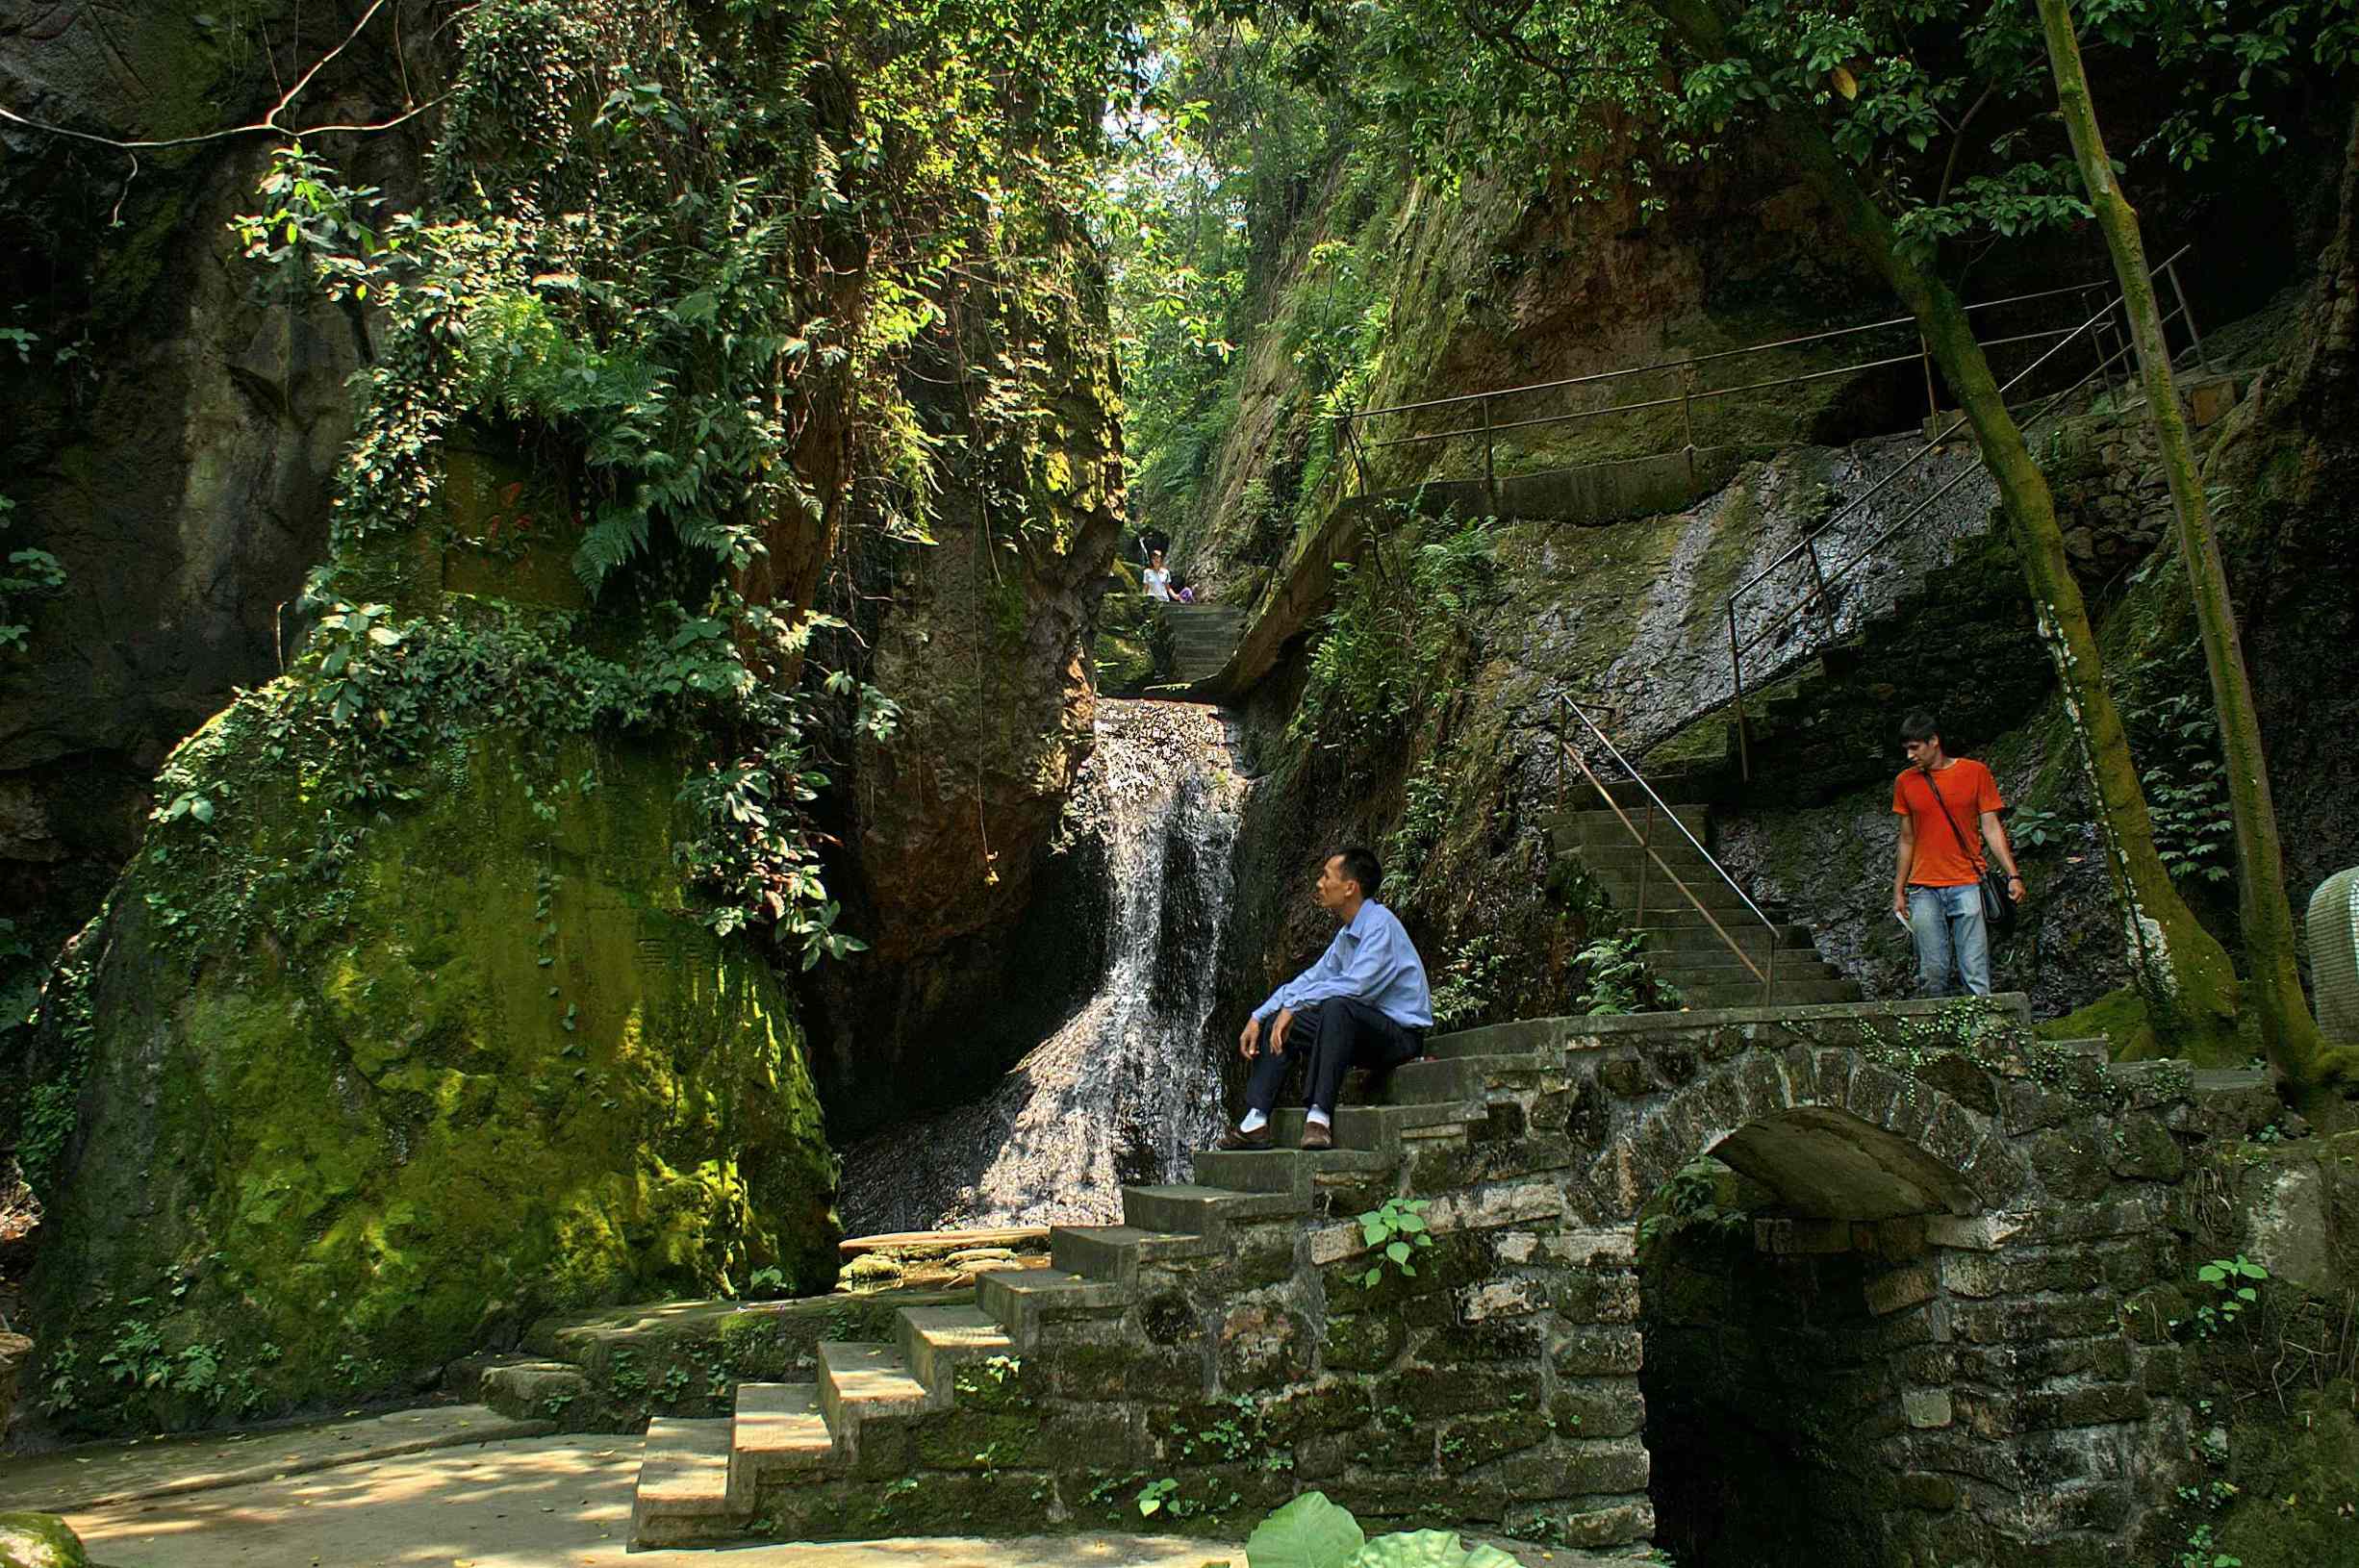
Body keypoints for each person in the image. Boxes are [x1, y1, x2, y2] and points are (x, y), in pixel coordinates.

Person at [1219, 847, 1433, 1151]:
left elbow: (1357, 986)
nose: (1319, 884)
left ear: (1350, 887)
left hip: (1400, 1039)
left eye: (1326, 876)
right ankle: (1255, 1120)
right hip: (1359, 1032)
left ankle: (1319, 1118)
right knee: (1283, 1019)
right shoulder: (1347, 936)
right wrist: (1259, 1015)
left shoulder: (1380, 925)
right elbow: (1310, 980)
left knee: (1337, 1006)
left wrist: (1295, 1005)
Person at [1891, 710, 2025, 998]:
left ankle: (1986, 1033)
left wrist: (2013, 874)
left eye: (1915, 748)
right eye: (1906, 750)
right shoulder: (1905, 782)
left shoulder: (1975, 773)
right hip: (1923, 887)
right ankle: (1935, 1035)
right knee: (1933, 970)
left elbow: (1991, 828)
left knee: (1975, 967)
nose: (1910, 756)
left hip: (1967, 881)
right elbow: (1906, 838)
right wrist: (1899, 890)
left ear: (1934, 741)